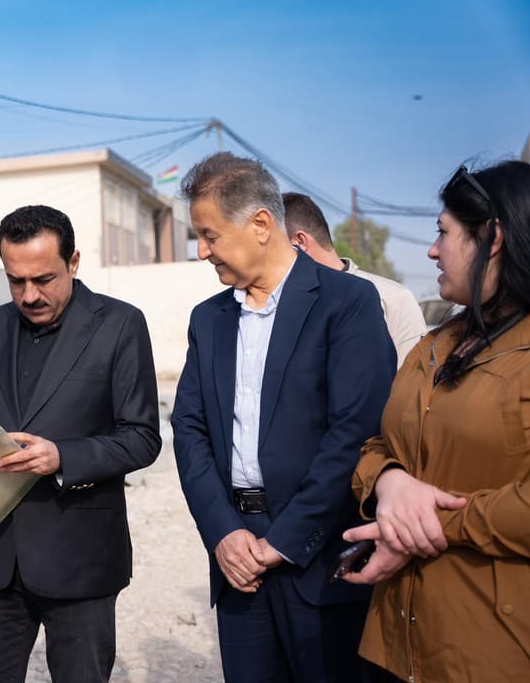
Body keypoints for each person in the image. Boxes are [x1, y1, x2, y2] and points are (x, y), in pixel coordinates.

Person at [170, 153, 396, 682]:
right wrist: (223, 532)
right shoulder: (209, 319)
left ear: (260, 224)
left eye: (209, 235)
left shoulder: (346, 303)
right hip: (237, 560)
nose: (201, 251)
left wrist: (284, 541)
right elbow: (190, 429)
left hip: (319, 560)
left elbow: (355, 432)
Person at [0, 204, 161, 683]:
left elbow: (143, 436)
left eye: (43, 279)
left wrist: (64, 456)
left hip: (80, 557)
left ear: (74, 262)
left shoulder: (120, 324)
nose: (29, 295)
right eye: (16, 281)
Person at [343, 160, 530, 681]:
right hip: (395, 643)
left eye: (443, 233)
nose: (432, 250)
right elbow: (375, 444)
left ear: (492, 238)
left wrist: (417, 525)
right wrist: (389, 482)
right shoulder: (432, 346)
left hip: (494, 650)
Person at [283, 192, 428, 367]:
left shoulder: (392, 299)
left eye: (274, 250)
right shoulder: (280, 305)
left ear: (300, 242)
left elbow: (411, 377)